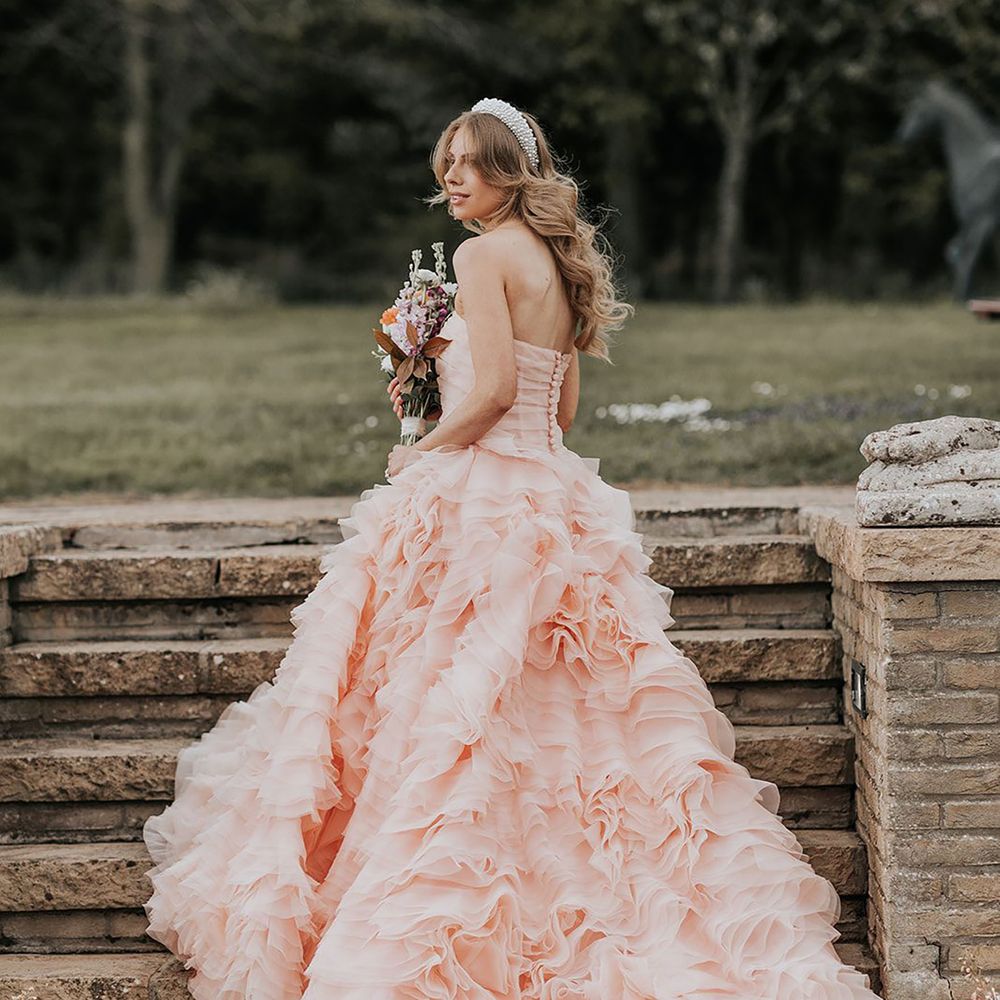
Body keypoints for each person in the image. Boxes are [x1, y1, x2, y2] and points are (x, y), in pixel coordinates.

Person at [142, 97, 884, 999]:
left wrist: (421, 445)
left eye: (465, 164)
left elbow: (492, 392)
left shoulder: (480, 254)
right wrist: (431, 377)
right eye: (444, 164)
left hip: (484, 494)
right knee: (569, 713)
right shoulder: (558, 264)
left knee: (446, 704)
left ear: (507, 169)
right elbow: (560, 411)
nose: (449, 180)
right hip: (552, 489)